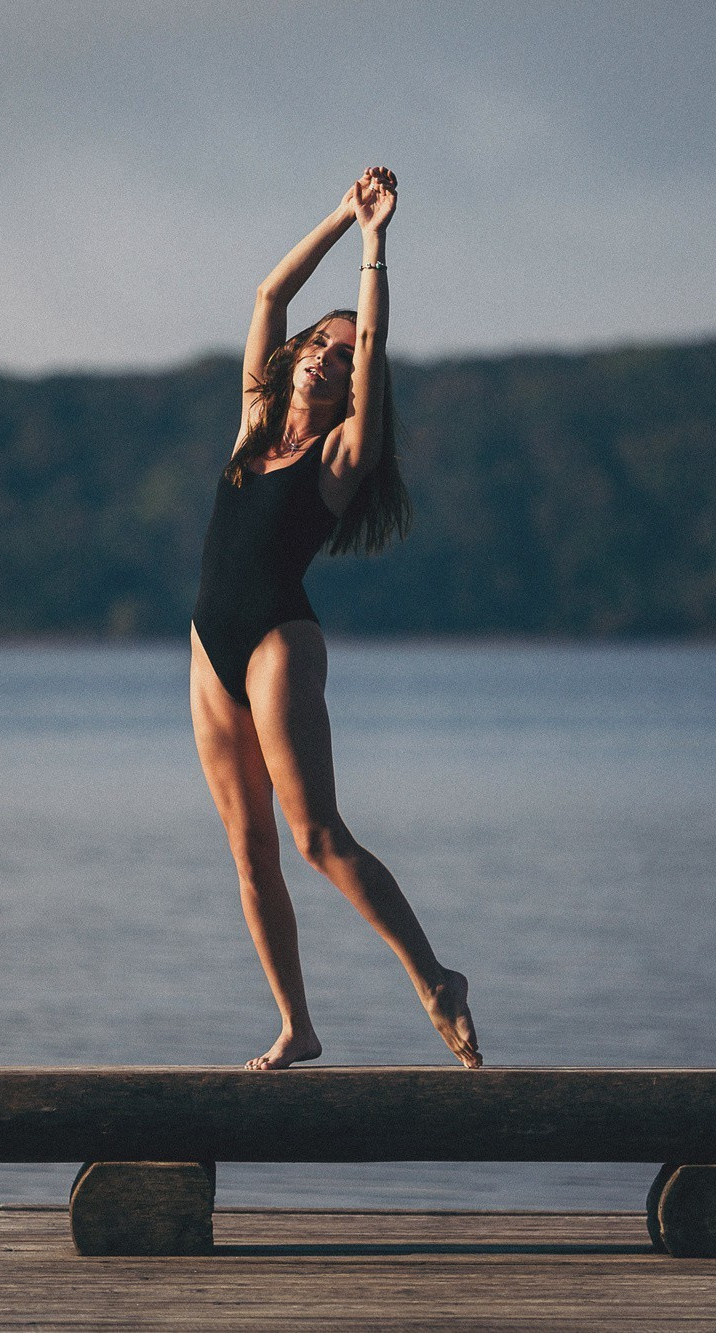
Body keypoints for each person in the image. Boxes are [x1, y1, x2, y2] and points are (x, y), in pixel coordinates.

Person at [190, 166, 482, 1071]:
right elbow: (269, 294)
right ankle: (298, 1026)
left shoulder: (339, 457)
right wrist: (339, 212)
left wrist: (375, 243)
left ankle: (435, 978)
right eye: (320, 341)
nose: (323, 352)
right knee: (250, 853)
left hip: (279, 642)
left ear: (356, 380)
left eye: (342, 352)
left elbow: (377, 340)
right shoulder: (254, 422)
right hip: (208, 650)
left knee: (315, 837)